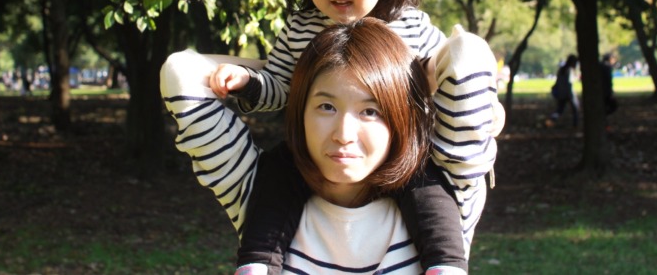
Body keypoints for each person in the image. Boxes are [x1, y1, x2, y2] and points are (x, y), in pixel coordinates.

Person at [199, 0, 503, 274]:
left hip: (402, 151)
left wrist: (489, 108)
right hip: (316, 154)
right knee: (276, 176)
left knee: (428, 189)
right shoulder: (301, 27)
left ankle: (444, 263)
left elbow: (451, 74)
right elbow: (279, 84)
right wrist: (248, 83)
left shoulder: (409, 25)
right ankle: (258, 262)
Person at [160, 18, 502, 274]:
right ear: (299, 109)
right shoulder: (260, 196)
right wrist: (280, 77)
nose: (343, 133)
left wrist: (410, 76)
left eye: (371, 111)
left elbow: (466, 56)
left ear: (400, 115)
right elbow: (182, 72)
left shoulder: (445, 192)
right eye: (326, 106)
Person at [547, 54, 579, 128]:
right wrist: (571, 94)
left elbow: (558, 82)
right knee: (575, 110)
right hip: (568, 93)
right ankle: (575, 125)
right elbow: (569, 84)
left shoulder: (561, 69)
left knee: (559, 110)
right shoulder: (569, 70)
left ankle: (551, 120)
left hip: (561, 93)